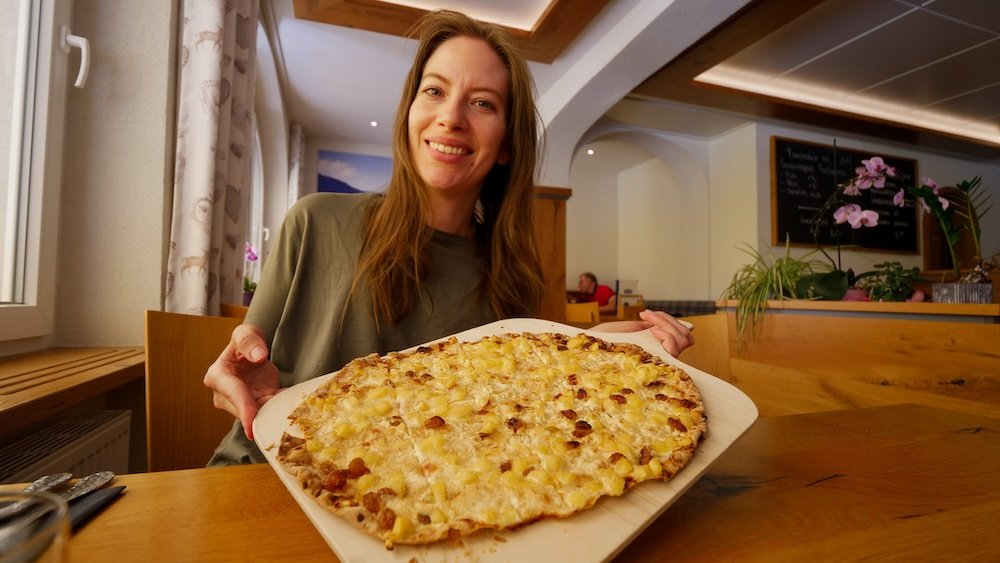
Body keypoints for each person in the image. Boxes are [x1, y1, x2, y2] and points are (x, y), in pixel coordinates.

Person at [203, 10, 694, 466]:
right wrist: (240, 376)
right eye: (434, 91)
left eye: (482, 103)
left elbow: (517, 407)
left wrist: (589, 346)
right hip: (265, 475)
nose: (451, 117)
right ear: (410, 111)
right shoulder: (313, 221)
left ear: (505, 145)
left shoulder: (511, 280)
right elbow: (247, 368)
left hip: (420, 502)